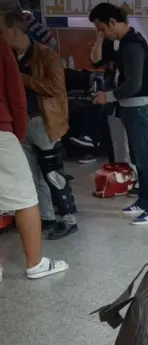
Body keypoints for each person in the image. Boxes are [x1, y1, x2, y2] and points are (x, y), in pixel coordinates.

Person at [0, 10, 79, 240]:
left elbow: (56, 88)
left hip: (44, 122)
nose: (1, 36)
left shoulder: (47, 55)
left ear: (14, 31)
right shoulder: (9, 56)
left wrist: (21, 79)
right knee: (32, 175)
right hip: (20, 124)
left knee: (53, 173)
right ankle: (46, 218)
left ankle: (68, 219)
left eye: (2, 31)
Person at [0, 40, 69, 279]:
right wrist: (17, 132)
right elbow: (15, 92)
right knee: (26, 197)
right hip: (5, 129)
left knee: (47, 173)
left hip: (38, 122)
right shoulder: (3, 47)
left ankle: (60, 217)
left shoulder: (45, 54)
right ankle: (35, 263)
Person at [89, 2, 148, 225]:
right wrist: (100, 37)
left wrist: (108, 96)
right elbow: (95, 60)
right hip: (132, 109)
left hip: (140, 109)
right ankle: (144, 200)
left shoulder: (132, 45)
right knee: (139, 161)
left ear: (113, 22)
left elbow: (133, 83)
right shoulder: (122, 42)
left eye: (102, 28)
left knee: (145, 161)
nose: (102, 33)